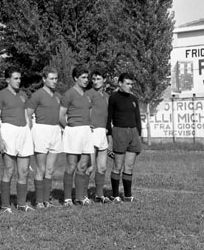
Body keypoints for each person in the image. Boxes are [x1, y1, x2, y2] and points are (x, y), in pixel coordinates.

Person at [0, 67, 33, 212]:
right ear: (7, 80)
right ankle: (5, 205)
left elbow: (27, 115)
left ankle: (21, 204)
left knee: (24, 171)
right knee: (9, 170)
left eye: (20, 78)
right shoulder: (0, 95)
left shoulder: (23, 95)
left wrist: (28, 129)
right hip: (8, 132)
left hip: (23, 132)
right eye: (15, 78)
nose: (19, 81)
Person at [26, 67, 62, 209]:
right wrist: (28, 132)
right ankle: (39, 201)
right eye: (51, 78)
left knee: (50, 169)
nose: (54, 81)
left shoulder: (58, 96)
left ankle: (47, 200)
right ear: (44, 79)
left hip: (55, 131)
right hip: (41, 131)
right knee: (41, 168)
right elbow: (28, 114)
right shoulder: (37, 95)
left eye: (56, 78)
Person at [59, 65, 93, 206]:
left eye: (87, 77)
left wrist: (88, 125)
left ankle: (80, 197)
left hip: (86, 132)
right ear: (75, 78)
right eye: (83, 77)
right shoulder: (69, 94)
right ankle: (67, 198)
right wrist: (69, 128)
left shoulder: (87, 95)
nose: (86, 80)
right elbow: (61, 115)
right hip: (73, 131)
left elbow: (88, 113)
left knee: (83, 166)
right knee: (71, 166)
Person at [107, 73, 142, 203]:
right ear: (120, 83)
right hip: (119, 132)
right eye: (127, 84)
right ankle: (115, 195)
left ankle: (128, 196)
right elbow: (108, 119)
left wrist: (138, 134)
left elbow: (137, 119)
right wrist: (109, 138)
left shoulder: (134, 99)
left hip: (133, 133)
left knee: (129, 166)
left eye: (131, 84)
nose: (130, 86)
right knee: (117, 166)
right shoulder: (113, 98)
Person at [86, 70, 111, 203]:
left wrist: (108, 132)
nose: (95, 82)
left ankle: (99, 195)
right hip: (92, 132)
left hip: (103, 133)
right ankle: (82, 195)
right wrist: (86, 124)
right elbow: (83, 110)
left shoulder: (106, 96)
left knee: (102, 167)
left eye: (98, 79)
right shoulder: (89, 94)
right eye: (94, 79)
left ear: (104, 80)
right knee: (89, 166)